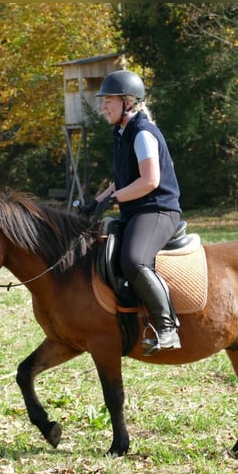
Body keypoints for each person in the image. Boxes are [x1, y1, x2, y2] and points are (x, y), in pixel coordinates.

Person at [86, 70, 183, 355]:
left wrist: (115, 198)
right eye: (104, 101)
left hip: (158, 210)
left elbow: (149, 181)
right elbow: (124, 179)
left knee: (133, 260)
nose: (104, 106)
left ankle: (167, 329)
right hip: (137, 210)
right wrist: (97, 200)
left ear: (128, 102)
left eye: (110, 101)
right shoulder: (123, 134)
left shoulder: (142, 133)